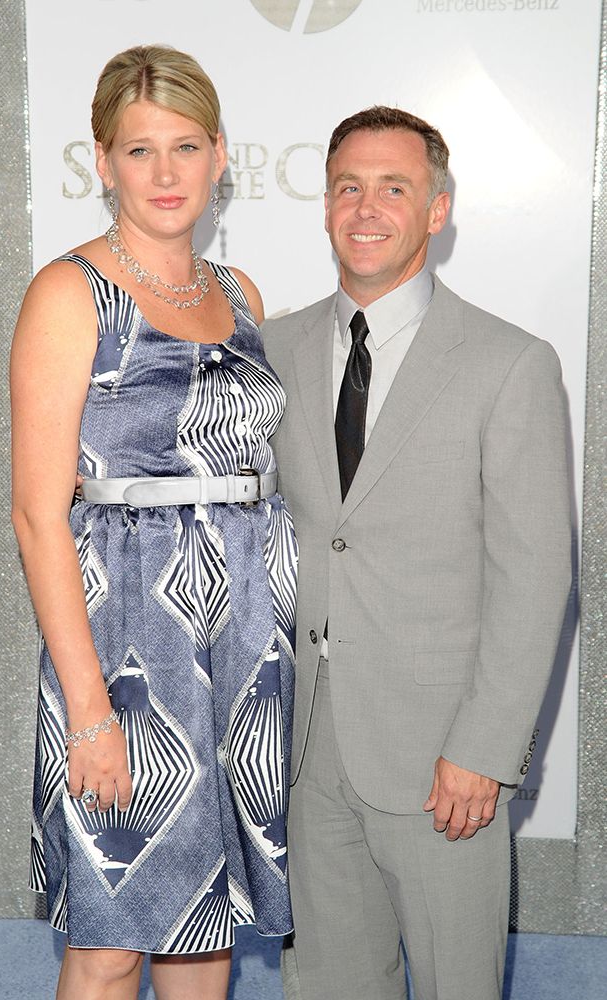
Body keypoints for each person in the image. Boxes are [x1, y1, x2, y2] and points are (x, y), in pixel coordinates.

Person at [261, 106, 571, 1000]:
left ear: (436, 210)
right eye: (347, 187)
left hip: (443, 763)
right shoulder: (272, 350)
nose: (366, 208)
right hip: (304, 748)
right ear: (324, 207)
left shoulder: (510, 363)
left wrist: (485, 746)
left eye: (393, 188)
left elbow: (535, 573)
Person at [11, 44, 297, 1000]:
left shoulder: (242, 296)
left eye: (185, 146)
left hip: (243, 644)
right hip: (125, 645)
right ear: (102, 163)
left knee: (201, 928)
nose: (166, 173)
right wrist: (90, 710)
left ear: (221, 155)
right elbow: (37, 516)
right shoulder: (70, 295)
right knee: (110, 943)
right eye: (140, 151)